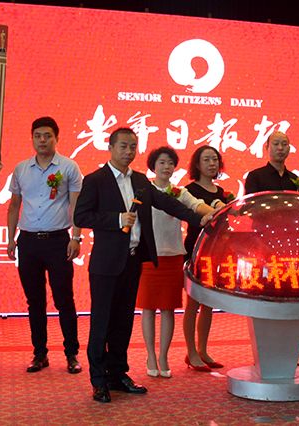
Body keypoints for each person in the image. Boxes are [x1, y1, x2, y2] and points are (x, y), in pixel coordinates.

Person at [74, 128, 204, 403]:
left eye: (133, 146)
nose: (128, 151)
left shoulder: (141, 181)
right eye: (123, 146)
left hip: (133, 261)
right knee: (101, 323)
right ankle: (99, 381)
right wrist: (117, 219)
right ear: (110, 148)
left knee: (123, 321)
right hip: (106, 264)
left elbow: (167, 203)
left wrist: (198, 219)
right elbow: (81, 216)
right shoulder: (96, 180)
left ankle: (118, 374)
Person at [7, 116, 83, 374]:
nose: (42, 140)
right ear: (32, 138)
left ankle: (71, 354)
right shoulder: (21, 169)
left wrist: (76, 237)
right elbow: (14, 205)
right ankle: (39, 354)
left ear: (56, 138)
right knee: (34, 301)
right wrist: (11, 239)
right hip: (28, 242)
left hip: (58, 241)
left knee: (64, 299)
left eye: (47, 135)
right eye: (38, 135)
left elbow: (76, 205)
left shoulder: (69, 167)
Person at [137, 147, 214, 379]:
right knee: (148, 308)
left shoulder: (179, 192)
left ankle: (163, 356)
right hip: (148, 256)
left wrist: (214, 212)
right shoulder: (143, 190)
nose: (166, 167)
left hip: (173, 256)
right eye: (161, 162)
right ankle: (151, 356)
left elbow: (197, 205)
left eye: (170, 163)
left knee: (168, 308)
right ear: (153, 166)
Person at [183, 145, 228, 371]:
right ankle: (191, 352)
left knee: (208, 304)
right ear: (197, 164)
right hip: (195, 249)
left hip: (215, 251)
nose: (212, 164)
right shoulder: (188, 190)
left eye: (215, 160)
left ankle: (203, 350)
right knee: (192, 303)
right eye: (207, 160)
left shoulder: (221, 192)